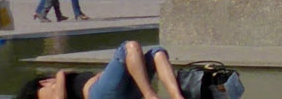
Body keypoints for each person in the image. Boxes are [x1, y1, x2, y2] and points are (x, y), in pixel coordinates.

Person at [13, 41, 188, 99]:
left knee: (157, 52)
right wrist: (60, 74)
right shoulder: (42, 91)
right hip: (99, 94)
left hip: (115, 91)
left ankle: (177, 97)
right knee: (129, 47)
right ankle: (150, 96)